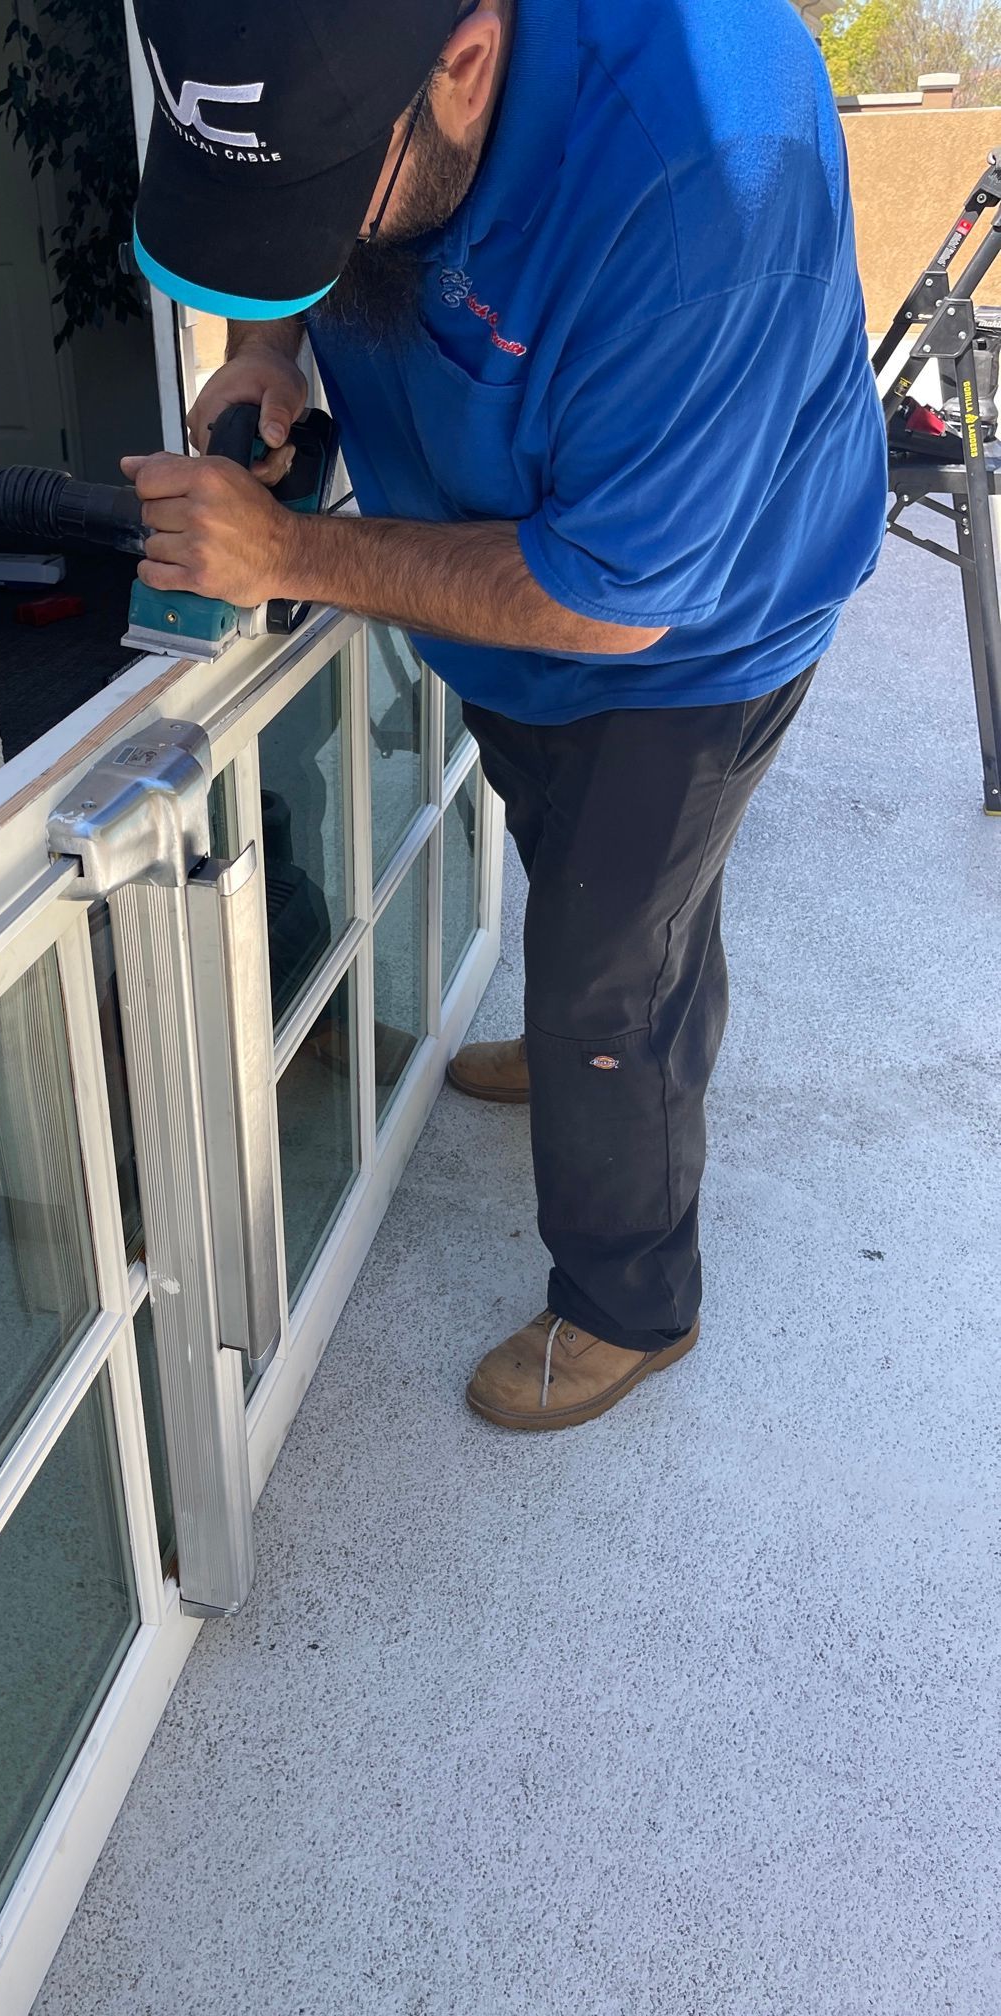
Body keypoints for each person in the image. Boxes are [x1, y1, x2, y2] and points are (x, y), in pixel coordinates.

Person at [121, 0, 887, 1430]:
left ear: (464, 61)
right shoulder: (362, 73)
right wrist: (270, 345)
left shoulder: (710, 169)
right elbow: (297, 196)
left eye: (316, 199)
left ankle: (632, 1303)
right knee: (596, 880)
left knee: (604, 955)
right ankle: (620, 1046)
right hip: (510, 574)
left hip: (703, 628)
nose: (307, 243)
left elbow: (612, 599)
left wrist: (291, 556)